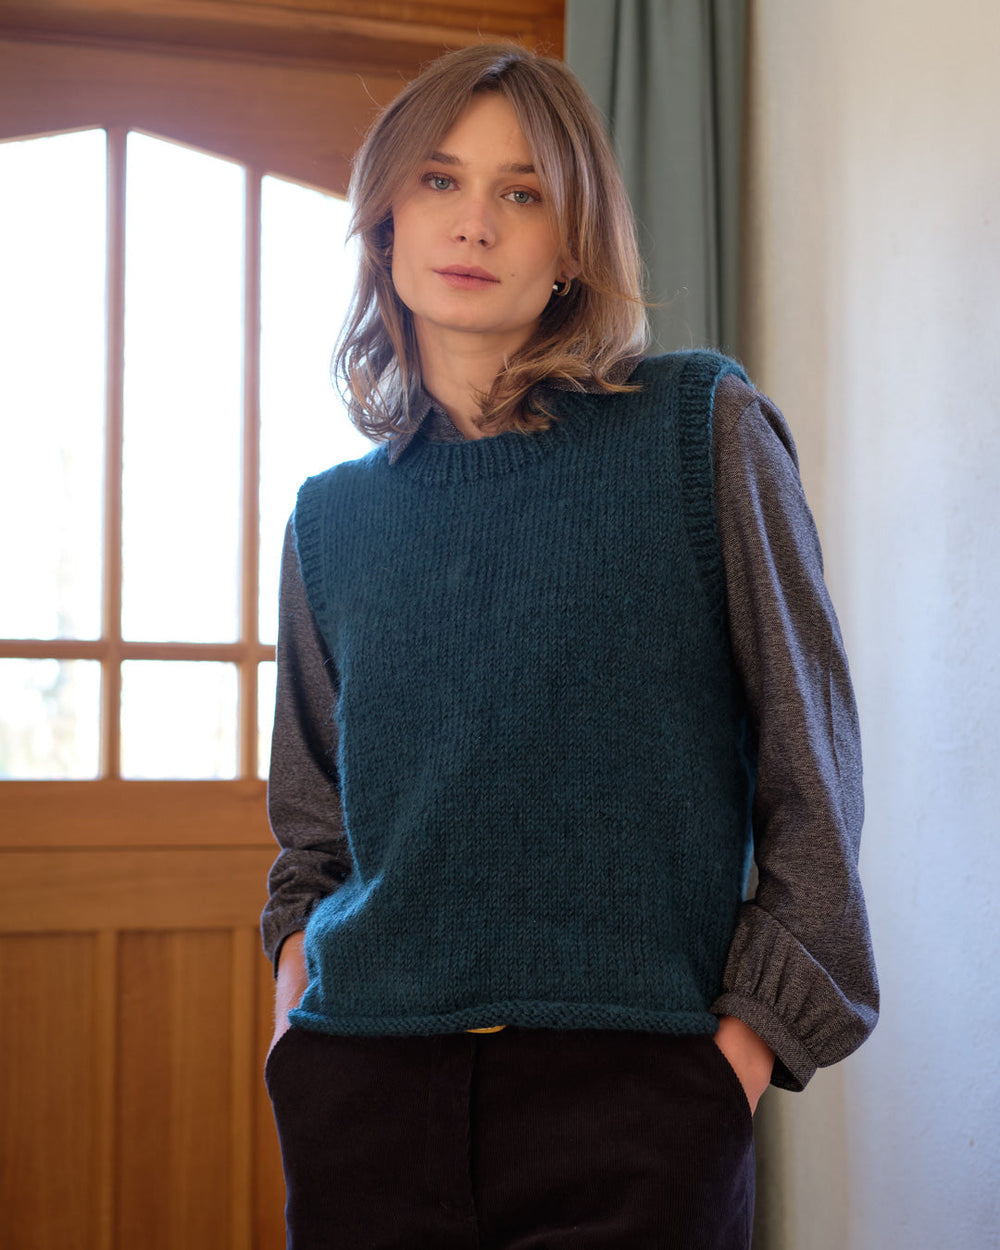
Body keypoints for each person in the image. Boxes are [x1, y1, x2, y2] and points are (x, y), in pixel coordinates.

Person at [261, 42, 878, 1250]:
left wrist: (728, 1069)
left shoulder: (700, 431)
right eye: (439, 181)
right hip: (363, 1100)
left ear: (573, 243)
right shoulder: (330, 520)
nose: (474, 222)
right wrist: (295, 1024)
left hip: (636, 1112)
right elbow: (313, 834)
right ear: (384, 221)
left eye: (522, 190)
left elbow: (815, 784)